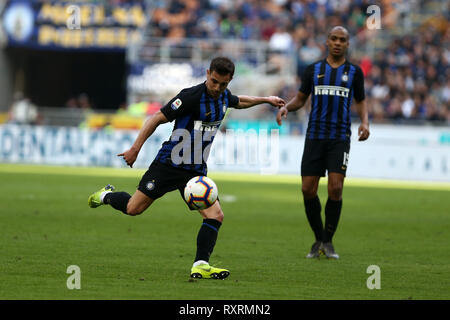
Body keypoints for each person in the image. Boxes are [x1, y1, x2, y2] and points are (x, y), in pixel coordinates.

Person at [88, 57, 285, 279]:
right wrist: (135, 148)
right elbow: (156, 118)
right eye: (214, 81)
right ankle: (106, 196)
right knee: (134, 208)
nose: (217, 88)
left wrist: (266, 99)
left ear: (230, 81)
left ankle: (200, 264)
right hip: (168, 165)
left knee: (215, 215)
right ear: (208, 73)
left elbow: (239, 101)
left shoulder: (223, 97)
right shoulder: (190, 96)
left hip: (195, 171)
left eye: (223, 84)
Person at [276, 26, 370, 259]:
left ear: (348, 44)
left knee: (335, 188)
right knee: (307, 189)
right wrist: (286, 107)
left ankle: (327, 242)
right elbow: (300, 99)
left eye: (342, 40)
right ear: (327, 41)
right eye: (334, 38)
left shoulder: (354, 72)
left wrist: (365, 122)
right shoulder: (313, 70)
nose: (338, 43)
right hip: (315, 136)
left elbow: (361, 100)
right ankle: (319, 237)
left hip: (339, 138)